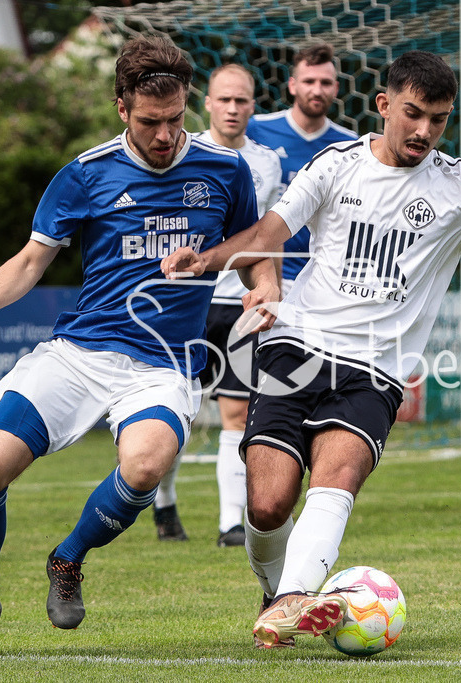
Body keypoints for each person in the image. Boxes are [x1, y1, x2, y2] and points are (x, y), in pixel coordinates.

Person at [161, 50, 461, 649]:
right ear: (383, 106)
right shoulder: (336, 164)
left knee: (336, 479)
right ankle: (277, 593)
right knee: (268, 506)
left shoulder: (460, 187)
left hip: (375, 368)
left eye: (438, 119)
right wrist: (212, 259)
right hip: (295, 345)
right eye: (413, 114)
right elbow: (270, 233)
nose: (425, 131)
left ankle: (299, 595)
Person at [0, 36, 274, 656]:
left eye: (176, 120)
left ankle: (68, 557)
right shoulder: (86, 174)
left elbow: (253, 250)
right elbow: (33, 259)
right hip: (80, 352)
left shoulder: (226, 171)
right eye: (150, 123)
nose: (166, 136)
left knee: (146, 466)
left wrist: (264, 290)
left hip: (163, 364)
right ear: (122, 109)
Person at [151, 64, 284, 547]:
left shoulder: (267, 162)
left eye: (242, 101)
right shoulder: (180, 155)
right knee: (175, 414)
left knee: (235, 413)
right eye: (224, 100)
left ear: (253, 105)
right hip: (186, 304)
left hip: (240, 305)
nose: (232, 108)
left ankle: (231, 523)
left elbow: (267, 238)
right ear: (206, 103)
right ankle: (164, 502)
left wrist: (272, 287)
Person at [244, 42, 358, 290]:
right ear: (293, 85)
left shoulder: (350, 145)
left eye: (325, 83)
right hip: (265, 273)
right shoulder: (256, 130)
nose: (317, 90)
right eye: (309, 81)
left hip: (324, 280)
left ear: (337, 88)